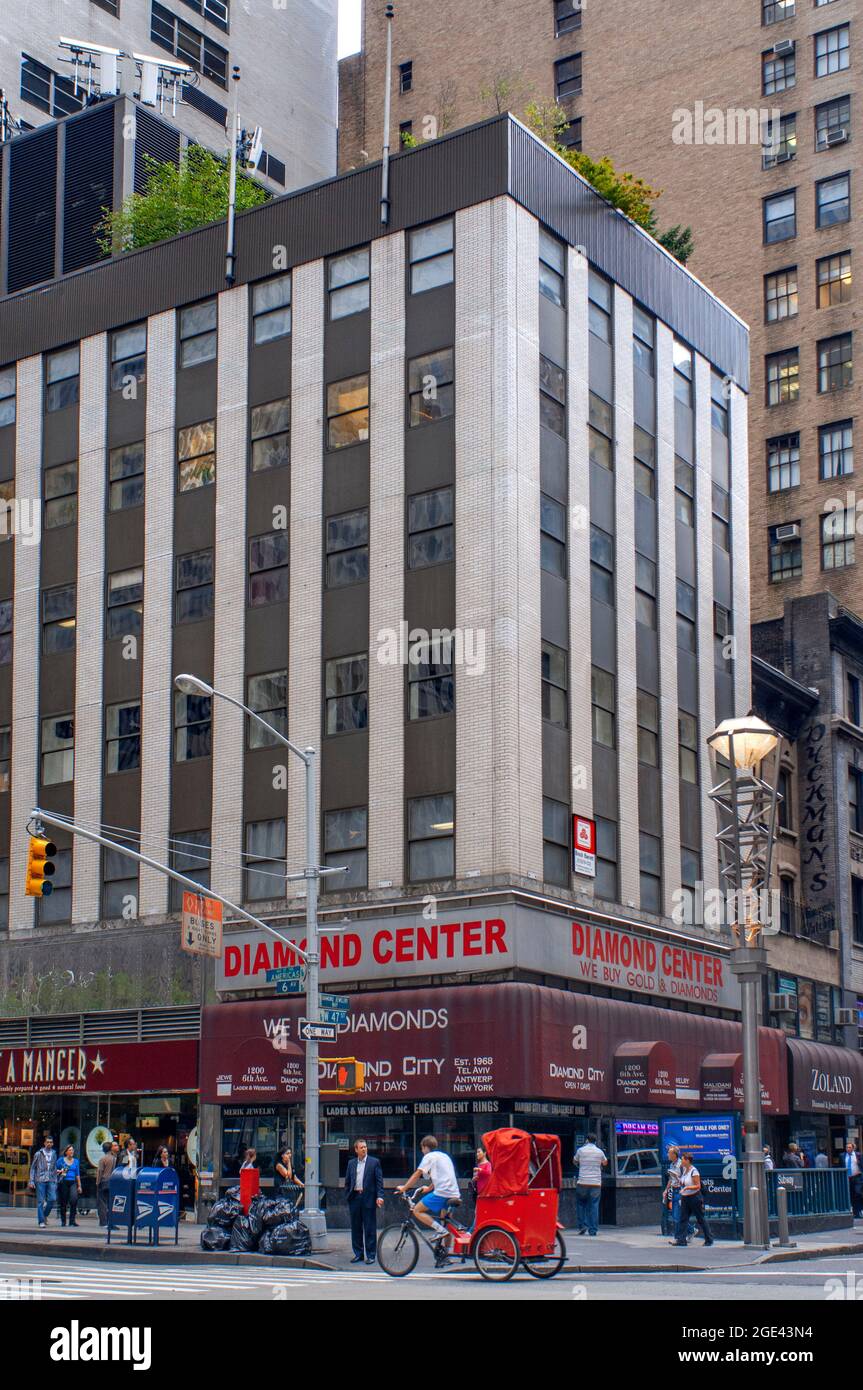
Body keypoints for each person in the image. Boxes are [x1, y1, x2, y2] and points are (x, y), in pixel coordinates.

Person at [396, 1135, 461, 1268]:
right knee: (446, 1223)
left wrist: (404, 1188)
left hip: (443, 1193)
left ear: (425, 1147)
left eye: (422, 1148)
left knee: (417, 1210)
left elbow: (417, 1174)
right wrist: (429, 1188)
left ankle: (440, 1231)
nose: (422, 1151)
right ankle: (445, 1256)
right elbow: (444, 1176)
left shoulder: (429, 1157)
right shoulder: (444, 1156)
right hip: (453, 1193)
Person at [344, 1138, 385, 1265]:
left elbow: (379, 1181)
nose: (364, 1149)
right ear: (356, 1150)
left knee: (369, 1227)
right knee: (356, 1228)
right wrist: (348, 1195)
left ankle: (371, 1255)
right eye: (361, 1147)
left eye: (365, 1147)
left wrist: (380, 1196)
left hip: (368, 1198)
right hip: (355, 1198)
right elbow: (348, 1181)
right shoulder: (351, 1163)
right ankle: (358, 1254)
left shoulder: (374, 1162)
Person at [671, 1152, 714, 1247]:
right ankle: (682, 1240)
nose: (681, 1161)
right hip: (685, 1198)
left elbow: (697, 1186)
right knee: (683, 1218)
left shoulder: (694, 1171)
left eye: (682, 1159)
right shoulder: (685, 1170)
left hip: (694, 1198)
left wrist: (687, 1188)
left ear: (687, 1160)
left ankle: (709, 1239)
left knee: (700, 1218)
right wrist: (677, 1179)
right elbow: (684, 1182)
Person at [574, 1133, 607, 1237]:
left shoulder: (581, 1150)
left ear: (587, 1140)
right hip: (595, 1183)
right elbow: (605, 1162)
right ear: (595, 1141)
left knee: (581, 1205)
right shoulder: (599, 1152)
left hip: (583, 1182)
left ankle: (582, 1226)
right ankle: (592, 1230)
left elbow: (575, 1161)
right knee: (594, 1206)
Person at [28, 1135, 58, 1228]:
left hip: (51, 1179)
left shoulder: (54, 1153)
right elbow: (33, 1168)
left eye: (51, 1142)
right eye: (47, 1142)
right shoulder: (38, 1153)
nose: (49, 1144)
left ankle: (44, 1215)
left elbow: (54, 1167)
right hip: (40, 1179)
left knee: (52, 1199)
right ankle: (41, 1221)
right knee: (40, 1201)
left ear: (52, 1144)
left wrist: (56, 1180)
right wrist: (32, 1181)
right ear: (44, 1143)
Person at [56, 1144, 82, 1227]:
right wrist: (59, 1171)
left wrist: (79, 1186)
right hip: (63, 1182)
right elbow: (54, 1170)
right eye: (70, 1150)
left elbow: (77, 1174)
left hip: (73, 1182)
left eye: (72, 1150)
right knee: (63, 1202)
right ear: (66, 1152)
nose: (72, 1151)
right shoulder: (61, 1160)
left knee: (74, 1200)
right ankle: (63, 1221)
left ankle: (72, 1221)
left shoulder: (76, 1161)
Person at [661, 1145, 683, 1237]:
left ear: (675, 1154)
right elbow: (670, 1179)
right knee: (675, 1215)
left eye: (669, 1153)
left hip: (680, 1190)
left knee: (676, 1215)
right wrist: (666, 1190)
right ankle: (691, 1230)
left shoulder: (681, 1164)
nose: (667, 1155)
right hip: (674, 1190)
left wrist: (677, 1178)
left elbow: (684, 1178)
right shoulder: (671, 1164)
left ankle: (678, 1237)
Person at [96, 1140, 116, 1226]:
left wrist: (97, 1182)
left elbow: (100, 1171)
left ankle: (103, 1222)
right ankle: (110, 1221)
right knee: (110, 1202)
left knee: (102, 1202)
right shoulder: (114, 1158)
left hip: (103, 1181)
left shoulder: (102, 1159)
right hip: (111, 1181)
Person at [845, 1141, 863, 1219]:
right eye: (847, 1147)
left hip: (857, 1177)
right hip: (848, 1178)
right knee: (851, 1195)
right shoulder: (843, 1156)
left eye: (849, 1147)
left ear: (853, 1148)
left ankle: (860, 1210)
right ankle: (856, 1213)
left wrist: (859, 1166)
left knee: (858, 1192)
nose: (848, 1149)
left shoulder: (858, 1155)